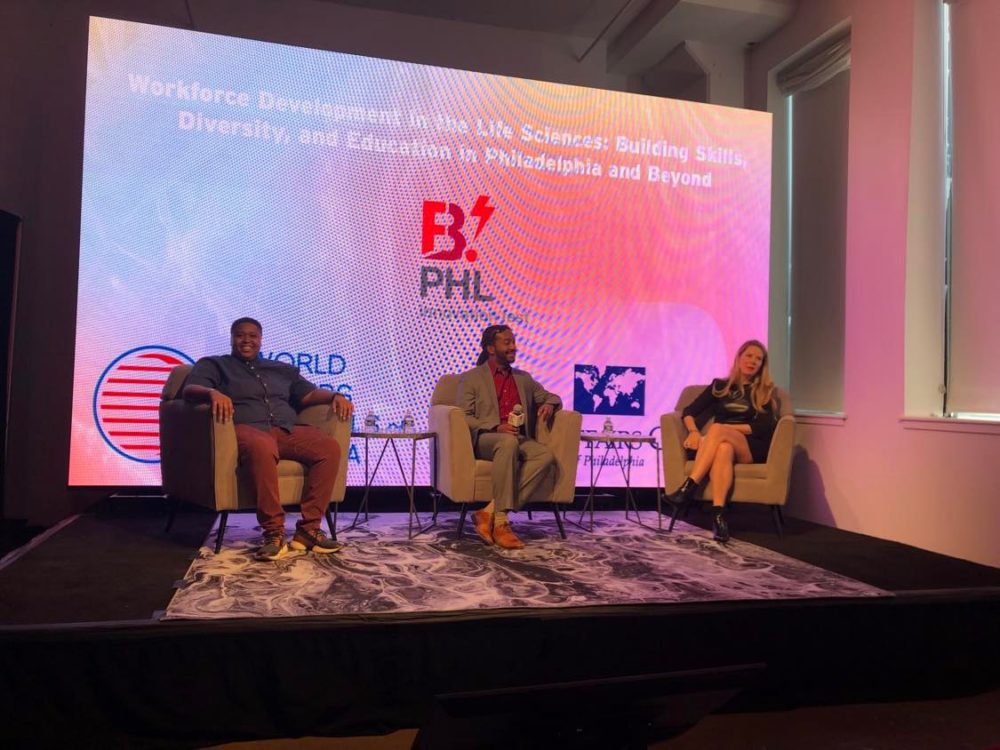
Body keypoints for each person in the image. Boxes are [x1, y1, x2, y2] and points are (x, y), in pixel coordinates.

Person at [183, 317, 353, 560]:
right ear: (232, 338)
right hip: (245, 428)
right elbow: (190, 390)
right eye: (241, 335)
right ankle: (273, 531)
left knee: (328, 447)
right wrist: (213, 393)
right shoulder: (215, 365)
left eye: (252, 336)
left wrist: (335, 395)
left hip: (284, 428)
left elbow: (308, 394)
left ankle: (309, 530)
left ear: (261, 340)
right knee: (262, 446)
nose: (246, 340)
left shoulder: (282, 369)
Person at [458, 325, 560, 549]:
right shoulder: (471, 378)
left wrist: (550, 405)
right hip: (487, 439)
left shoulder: (524, 379)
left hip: (517, 439)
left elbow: (550, 396)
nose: (513, 346)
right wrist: (496, 426)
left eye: (513, 341)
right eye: (507, 342)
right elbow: (464, 417)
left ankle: (489, 512)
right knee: (506, 441)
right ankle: (502, 523)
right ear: (491, 348)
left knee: (545, 456)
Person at [667, 339, 779, 543]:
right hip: (720, 443)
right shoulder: (719, 386)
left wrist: (724, 429)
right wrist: (693, 432)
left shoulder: (765, 391)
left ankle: (688, 487)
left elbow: (762, 427)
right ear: (739, 357)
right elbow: (689, 412)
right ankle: (719, 516)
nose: (753, 361)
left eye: (759, 359)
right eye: (749, 356)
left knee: (719, 430)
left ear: (762, 365)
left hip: (750, 446)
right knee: (724, 449)